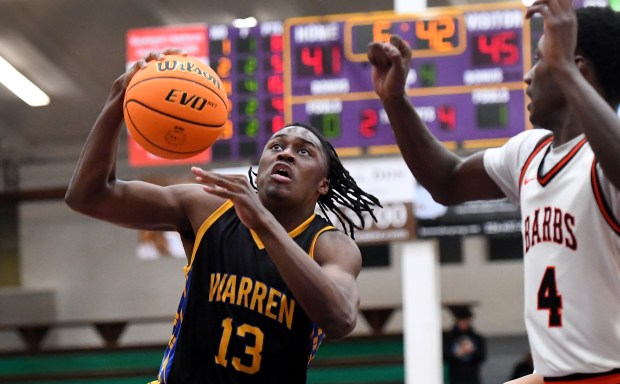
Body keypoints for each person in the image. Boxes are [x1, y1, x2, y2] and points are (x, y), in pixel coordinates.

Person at [65, 50, 381, 384]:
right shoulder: (208, 207)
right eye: (276, 146)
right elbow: (87, 196)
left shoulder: (330, 246)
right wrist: (116, 104)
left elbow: (340, 319)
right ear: (258, 168)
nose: (286, 152)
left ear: (322, 184)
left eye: (303, 151)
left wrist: (262, 222)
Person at [368, 0, 620, 383]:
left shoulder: (603, 159)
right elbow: (447, 181)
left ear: (577, 69)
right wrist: (395, 101)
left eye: (540, 60)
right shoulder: (529, 151)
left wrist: (564, 66)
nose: (528, 76)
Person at [442, 307, 487, 384]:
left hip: (472, 377)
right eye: (462, 321)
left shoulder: (477, 338)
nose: (464, 324)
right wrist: (458, 352)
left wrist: (472, 350)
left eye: (466, 321)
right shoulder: (448, 338)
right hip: (454, 377)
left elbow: (482, 356)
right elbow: (444, 355)